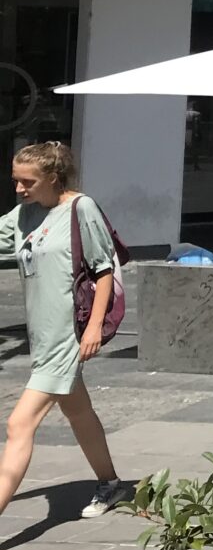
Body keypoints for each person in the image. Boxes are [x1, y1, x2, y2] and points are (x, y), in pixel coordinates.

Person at [0, 142, 131, 522]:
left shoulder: (80, 208)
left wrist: (93, 329)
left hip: (68, 336)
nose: (20, 189)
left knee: (19, 424)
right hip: (41, 337)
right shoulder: (24, 214)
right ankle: (110, 483)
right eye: (16, 181)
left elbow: (103, 270)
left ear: (54, 178)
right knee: (79, 411)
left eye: (28, 182)